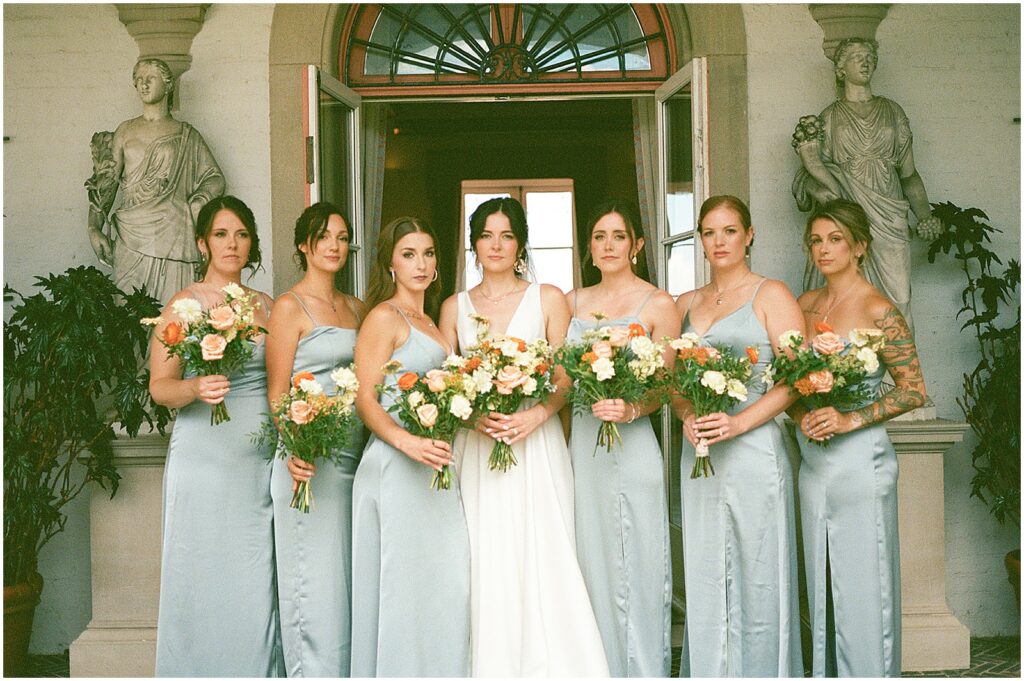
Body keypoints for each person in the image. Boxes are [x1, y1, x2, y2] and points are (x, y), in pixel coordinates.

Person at [438, 197, 609, 677]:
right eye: (487, 235)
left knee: (544, 544)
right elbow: (446, 380)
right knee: (485, 549)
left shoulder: (548, 298)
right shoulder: (455, 306)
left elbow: (565, 378)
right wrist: (473, 420)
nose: (496, 244)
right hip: (479, 444)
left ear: (520, 244)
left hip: (536, 442)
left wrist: (536, 416)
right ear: (473, 243)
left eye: (507, 235)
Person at [792, 199, 928, 677]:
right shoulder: (805, 305)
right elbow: (789, 381)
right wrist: (800, 413)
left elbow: (914, 390)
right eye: (816, 240)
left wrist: (851, 419)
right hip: (814, 462)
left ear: (860, 246)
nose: (823, 249)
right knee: (822, 581)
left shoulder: (879, 309)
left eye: (834, 239)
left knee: (864, 586)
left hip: (862, 463)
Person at [672, 195, 805, 677]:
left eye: (729, 230)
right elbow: (671, 382)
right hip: (702, 452)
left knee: (759, 570)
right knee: (706, 571)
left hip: (754, 449)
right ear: (700, 240)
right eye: (709, 232)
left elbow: (795, 379)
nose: (719, 241)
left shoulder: (772, 294)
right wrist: (688, 413)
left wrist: (740, 423)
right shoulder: (685, 303)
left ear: (749, 235)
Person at [149, 196, 281, 676]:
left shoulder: (268, 305)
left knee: (255, 577)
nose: (233, 243)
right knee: (202, 574)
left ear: (252, 243)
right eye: (222, 234)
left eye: (242, 234)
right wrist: (194, 385)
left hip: (260, 459)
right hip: (205, 458)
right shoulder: (185, 304)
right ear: (203, 243)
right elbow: (159, 387)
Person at [349, 217, 471, 677]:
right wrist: (407, 442)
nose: (421, 264)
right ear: (390, 263)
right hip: (397, 468)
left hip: (436, 469)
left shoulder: (433, 319)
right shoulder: (384, 316)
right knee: (403, 589)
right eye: (408, 254)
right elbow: (365, 398)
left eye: (428, 253)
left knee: (446, 584)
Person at [562, 200, 676, 677]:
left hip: (633, 445)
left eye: (619, 236)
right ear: (589, 247)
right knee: (589, 557)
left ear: (638, 245)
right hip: (583, 447)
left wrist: (632, 407)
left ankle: (644, 667)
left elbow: (667, 384)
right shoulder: (570, 302)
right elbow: (559, 382)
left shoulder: (659, 304)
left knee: (641, 557)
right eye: (600, 237)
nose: (609, 246)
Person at [264, 202, 367, 677]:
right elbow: (278, 392)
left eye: (342, 237)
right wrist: (297, 448)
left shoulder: (357, 308)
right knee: (315, 586)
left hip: (355, 461)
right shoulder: (288, 307)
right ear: (304, 245)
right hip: (309, 461)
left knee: (348, 584)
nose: (334, 245)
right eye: (324, 236)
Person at [791, 38, 942, 332]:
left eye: (869, 56)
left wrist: (924, 215)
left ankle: (896, 374)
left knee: (899, 297)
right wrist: (820, 186)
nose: (865, 61)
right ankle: (855, 368)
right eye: (857, 57)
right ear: (840, 69)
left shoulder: (892, 111)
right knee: (846, 296)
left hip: (889, 213)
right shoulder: (830, 117)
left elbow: (909, 175)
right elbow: (805, 178)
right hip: (848, 214)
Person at [86, 57, 225, 305]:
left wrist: (196, 204)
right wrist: (93, 227)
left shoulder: (186, 135)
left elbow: (214, 178)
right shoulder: (125, 131)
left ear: (168, 85)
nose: (143, 85)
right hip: (130, 235)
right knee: (129, 315)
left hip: (174, 232)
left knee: (175, 317)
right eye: (138, 80)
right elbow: (105, 185)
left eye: (150, 79)